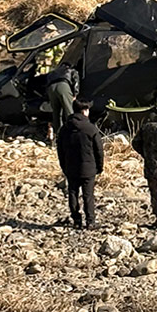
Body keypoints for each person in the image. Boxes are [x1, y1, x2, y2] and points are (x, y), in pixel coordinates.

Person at [56, 98, 104, 229]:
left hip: (70, 167)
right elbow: (99, 150)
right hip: (89, 168)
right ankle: (90, 221)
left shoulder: (64, 129)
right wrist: (99, 166)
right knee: (88, 195)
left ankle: (76, 220)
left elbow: (60, 150)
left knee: (72, 192)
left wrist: (63, 165)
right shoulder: (91, 129)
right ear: (85, 111)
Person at [45, 63, 79, 140]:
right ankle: (72, 134)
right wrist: (75, 94)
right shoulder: (71, 70)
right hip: (63, 86)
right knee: (69, 111)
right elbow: (76, 81)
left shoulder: (52, 72)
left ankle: (59, 135)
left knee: (56, 113)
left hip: (51, 89)